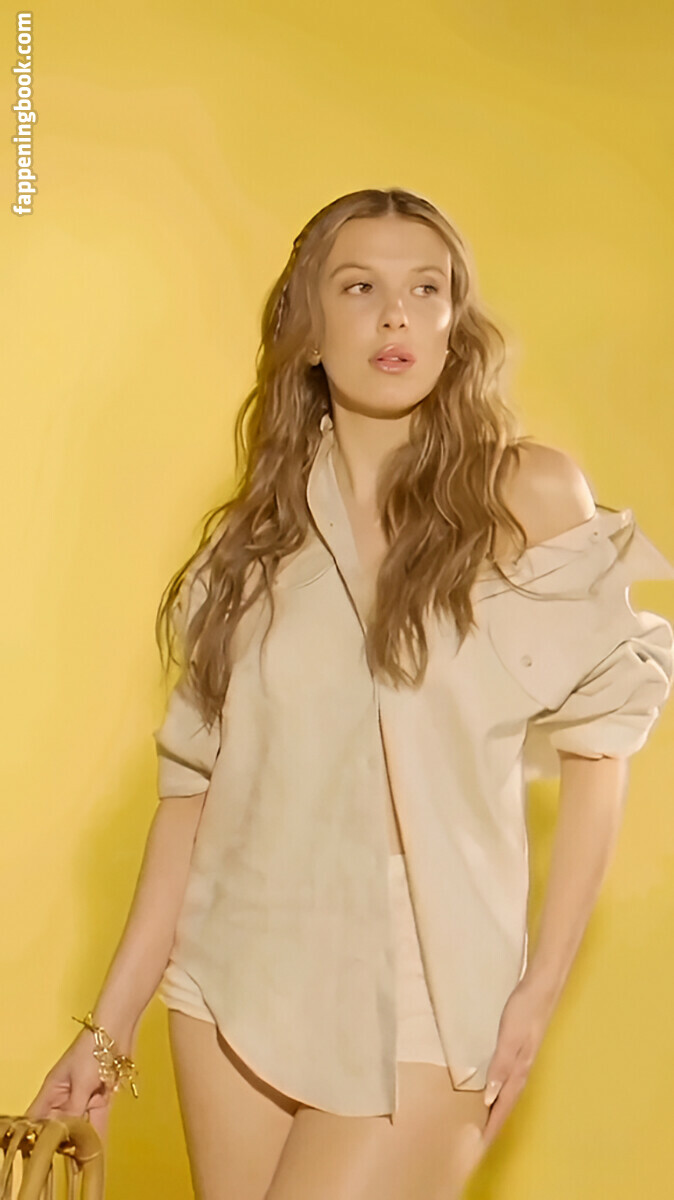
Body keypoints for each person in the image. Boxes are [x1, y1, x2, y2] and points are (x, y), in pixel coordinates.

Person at [24, 188, 674, 1200]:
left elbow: (601, 749)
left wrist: (537, 990)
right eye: (359, 287)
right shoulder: (246, 549)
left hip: (427, 972)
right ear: (308, 325)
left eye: (426, 289)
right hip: (233, 972)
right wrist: (106, 1034)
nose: (395, 315)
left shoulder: (527, 497)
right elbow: (191, 800)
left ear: (454, 322)